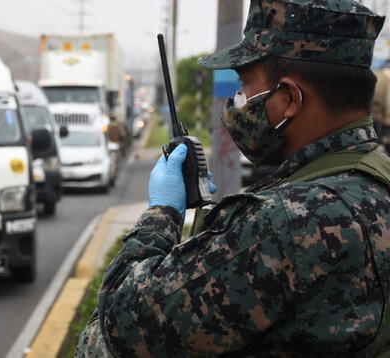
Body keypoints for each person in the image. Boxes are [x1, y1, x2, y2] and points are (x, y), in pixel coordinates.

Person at [76, 0, 390, 356]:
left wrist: (161, 214)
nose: (237, 100)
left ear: (288, 99)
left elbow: (123, 325)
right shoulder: (378, 181)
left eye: (243, 87)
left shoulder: (286, 221)